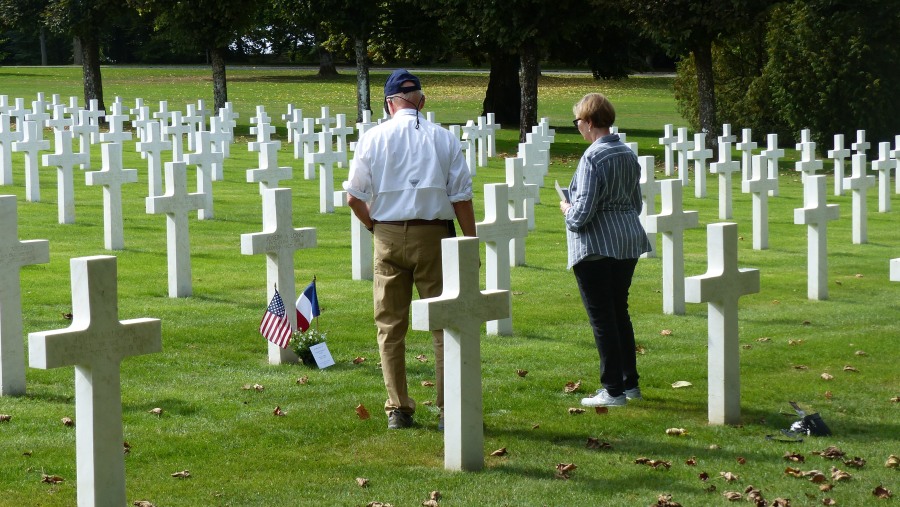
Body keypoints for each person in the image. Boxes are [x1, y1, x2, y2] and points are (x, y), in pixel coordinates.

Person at [345, 69, 477, 429]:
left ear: (389, 104)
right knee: (444, 322)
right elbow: (461, 197)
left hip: (387, 233)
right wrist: (469, 241)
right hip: (434, 236)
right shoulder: (444, 138)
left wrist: (376, 227)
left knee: (390, 324)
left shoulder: (373, 139)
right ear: (422, 100)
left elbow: (353, 197)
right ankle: (450, 408)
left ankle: (398, 409)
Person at [560, 92, 652, 407]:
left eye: (578, 122)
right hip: (627, 240)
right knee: (619, 312)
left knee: (602, 317)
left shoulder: (592, 158)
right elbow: (636, 203)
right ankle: (629, 384)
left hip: (596, 245)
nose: (578, 128)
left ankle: (612, 390)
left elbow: (581, 214)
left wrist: (566, 210)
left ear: (589, 122)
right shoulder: (627, 153)